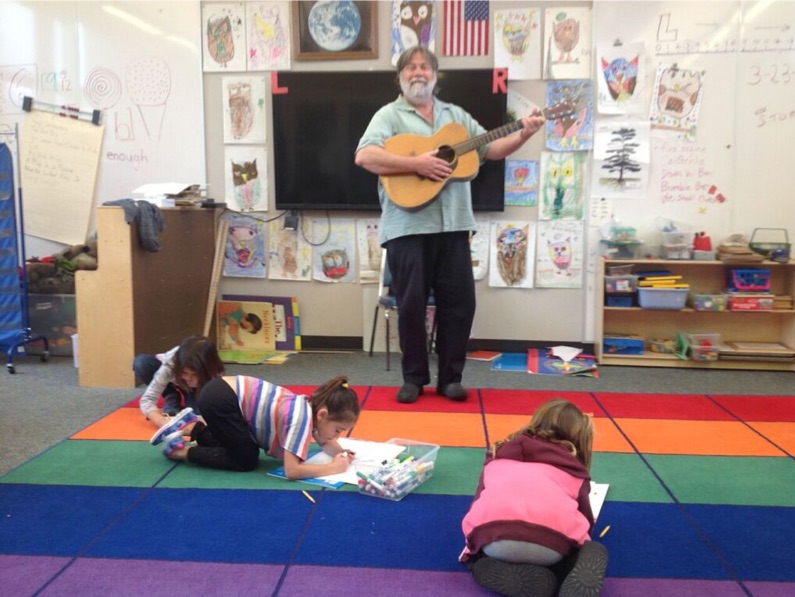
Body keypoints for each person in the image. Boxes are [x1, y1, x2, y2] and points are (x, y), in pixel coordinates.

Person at [354, 46, 546, 404]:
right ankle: (414, 379)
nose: (417, 73)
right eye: (409, 68)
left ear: (435, 75)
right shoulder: (388, 116)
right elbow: (365, 155)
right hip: (407, 226)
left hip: (455, 225)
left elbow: (490, 149)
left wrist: (525, 133)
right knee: (410, 306)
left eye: (424, 67)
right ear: (400, 78)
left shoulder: (455, 118)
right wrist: (416, 165)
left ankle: (450, 379)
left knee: (459, 304)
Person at [459, 398, 608, 597]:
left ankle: (484, 565)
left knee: (481, 553)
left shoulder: (497, 458)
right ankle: (561, 572)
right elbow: (586, 519)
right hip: (550, 549)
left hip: (493, 542)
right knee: (588, 549)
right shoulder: (574, 471)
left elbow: (477, 503)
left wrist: (473, 548)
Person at [150, 375, 360, 478]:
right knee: (246, 458)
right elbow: (292, 470)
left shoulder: (309, 408)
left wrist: (341, 454)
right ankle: (181, 452)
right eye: (338, 430)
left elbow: (325, 440)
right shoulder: (301, 419)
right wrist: (333, 468)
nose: (336, 436)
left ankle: (191, 428)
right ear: (323, 415)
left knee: (238, 443)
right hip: (221, 399)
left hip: (221, 394)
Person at [134, 335, 225, 429]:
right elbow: (147, 399)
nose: (189, 378)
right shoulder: (170, 364)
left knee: (198, 413)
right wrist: (162, 422)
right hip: (172, 380)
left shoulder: (214, 372)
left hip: (197, 389)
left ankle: (187, 396)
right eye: (184, 372)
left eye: (194, 374)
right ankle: (171, 395)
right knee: (141, 363)